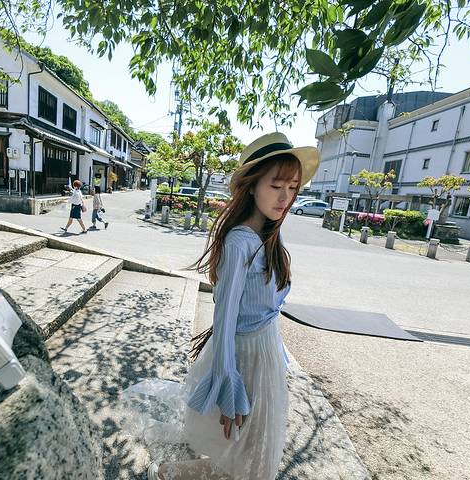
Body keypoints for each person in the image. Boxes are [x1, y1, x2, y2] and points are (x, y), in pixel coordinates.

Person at [119, 132, 320, 480]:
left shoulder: (270, 235)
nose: (285, 197)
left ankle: (166, 473)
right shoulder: (240, 242)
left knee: (254, 459)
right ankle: (166, 473)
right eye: (276, 185)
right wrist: (229, 383)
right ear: (252, 185)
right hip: (245, 358)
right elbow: (224, 319)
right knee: (253, 464)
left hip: (267, 356)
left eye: (292, 187)